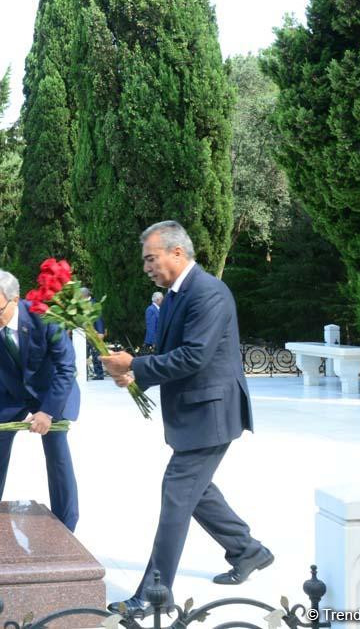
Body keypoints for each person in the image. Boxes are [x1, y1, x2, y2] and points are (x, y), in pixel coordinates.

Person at [101, 220, 270, 613]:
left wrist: (138, 366)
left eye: (150, 258)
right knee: (198, 492)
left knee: (177, 493)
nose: (146, 267)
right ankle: (248, 551)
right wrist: (133, 374)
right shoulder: (176, 294)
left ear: (177, 253)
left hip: (212, 412)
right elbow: (171, 354)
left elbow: (195, 356)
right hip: (196, 410)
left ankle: (153, 594)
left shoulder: (208, 292)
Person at [0, 269, 81, 531]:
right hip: (7, 392)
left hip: (50, 391)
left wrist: (48, 412)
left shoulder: (45, 316)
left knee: (57, 454)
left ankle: (66, 525)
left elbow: (66, 368)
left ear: (15, 300)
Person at [80, 287, 105, 380]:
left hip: (94, 332)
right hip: (83, 334)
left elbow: (98, 318)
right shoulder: (80, 305)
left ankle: (99, 374)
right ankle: (83, 373)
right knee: (83, 353)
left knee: (96, 353)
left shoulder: (94, 304)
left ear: (84, 295)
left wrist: (100, 332)